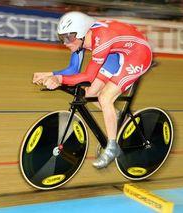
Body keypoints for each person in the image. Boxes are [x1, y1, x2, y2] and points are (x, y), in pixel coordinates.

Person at [33, 11, 152, 169]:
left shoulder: (100, 39)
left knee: (105, 98)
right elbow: (73, 69)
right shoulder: (81, 40)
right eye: (62, 38)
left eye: (69, 37)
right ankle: (116, 117)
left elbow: (88, 76)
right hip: (117, 52)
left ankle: (112, 147)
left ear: (81, 33)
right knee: (90, 94)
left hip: (138, 54)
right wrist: (50, 74)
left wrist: (58, 80)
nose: (65, 42)